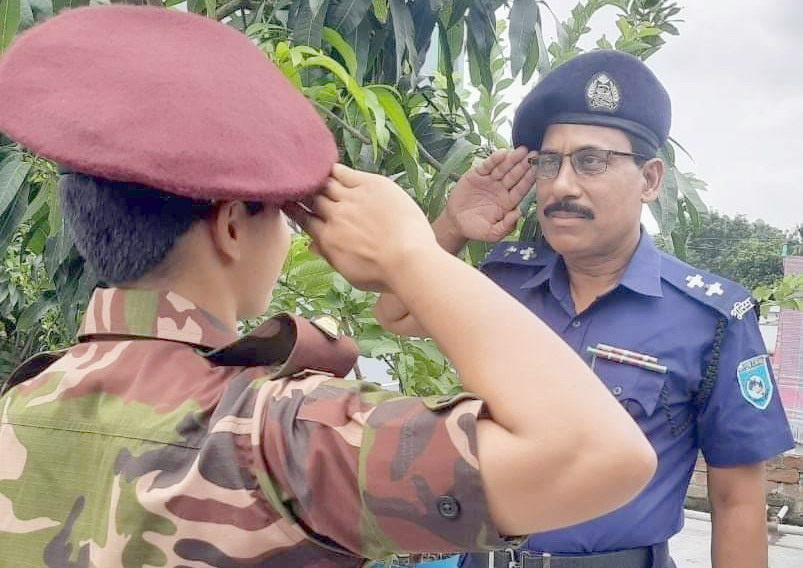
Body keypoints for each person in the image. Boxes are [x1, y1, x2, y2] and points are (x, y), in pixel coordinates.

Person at [0, 8, 657, 568]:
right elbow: (598, 455)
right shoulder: (286, 439)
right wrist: (407, 252)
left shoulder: (17, 405)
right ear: (233, 226)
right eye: (284, 212)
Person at [375, 50, 796, 568]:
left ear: (650, 179)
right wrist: (453, 225)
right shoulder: (506, 282)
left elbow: (737, 502)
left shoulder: (710, 319)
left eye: (592, 161)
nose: (562, 185)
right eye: (548, 163)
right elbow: (394, 311)